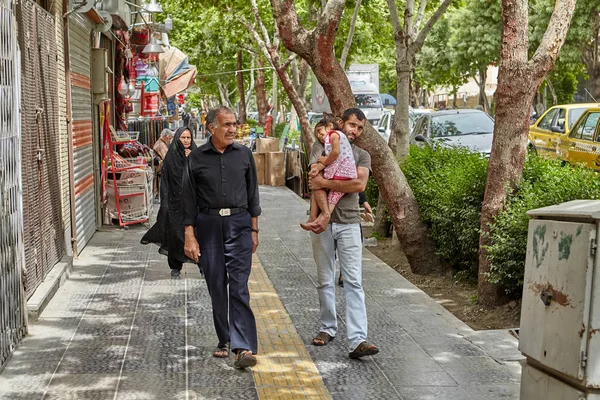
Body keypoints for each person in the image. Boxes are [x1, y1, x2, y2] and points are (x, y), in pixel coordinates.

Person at [183, 106, 261, 369]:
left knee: (239, 286)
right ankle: (224, 339)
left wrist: (254, 229)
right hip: (209, 226)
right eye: (226, 124)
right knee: (217, 285)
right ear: (211, 128)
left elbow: (253, 195)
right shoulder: (196, 158)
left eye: (234, 124)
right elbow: (187, 200)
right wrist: (189, 236)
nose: (231, 129)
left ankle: (243, 347)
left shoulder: (244, 155)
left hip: (239, 224)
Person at [308, 108, 379, 359]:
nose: (355, 131)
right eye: (351, 125)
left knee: (354, 281)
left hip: (350, 222)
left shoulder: (363, 155)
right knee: (325, 279)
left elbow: (358, 185)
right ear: (341, 123)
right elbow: (312, 177)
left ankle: (358, 339)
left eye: (360, 128)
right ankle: (328, 327)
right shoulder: (323, 146)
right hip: (322, 225)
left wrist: (325, 183)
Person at [142, 128, 198, 277]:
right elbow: (165, 181)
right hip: (174, 203)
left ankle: (202, 264)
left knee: (197, 234)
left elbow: (204, 177)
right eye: (183, 137)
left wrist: (193, 159)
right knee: (175, 235)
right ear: (177, 139)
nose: (186, 140)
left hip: (194, 204)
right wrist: (165, 203)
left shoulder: (197, 155)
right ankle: (175, 266)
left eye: (188, 137)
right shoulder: (171, 158)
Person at [301, 113, 357, 232]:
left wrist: (323, 163)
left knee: (317, 181)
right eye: (317, 135)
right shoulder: (330, 139)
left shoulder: (334, 135)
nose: (320, 137)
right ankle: (319, 219)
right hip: (345, 173)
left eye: (320, 132)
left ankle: (316, 216)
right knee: (332, 199)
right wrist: (319, 166)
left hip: (342, 171)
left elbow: (335, 154)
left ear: (330, 126)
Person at [338, 191, 373, 287]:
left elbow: (358, 183)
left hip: (350, 213)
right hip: (330, 212)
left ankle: (344, 274)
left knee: (351, 248)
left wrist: (364, 201)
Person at [153, 129, 173, 198]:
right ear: (166, 136)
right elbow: (167, 157)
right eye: (169, 138)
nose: (169, 140)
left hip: (160, 166)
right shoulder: (161, 144)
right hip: (160, 167)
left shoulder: (160, 142)